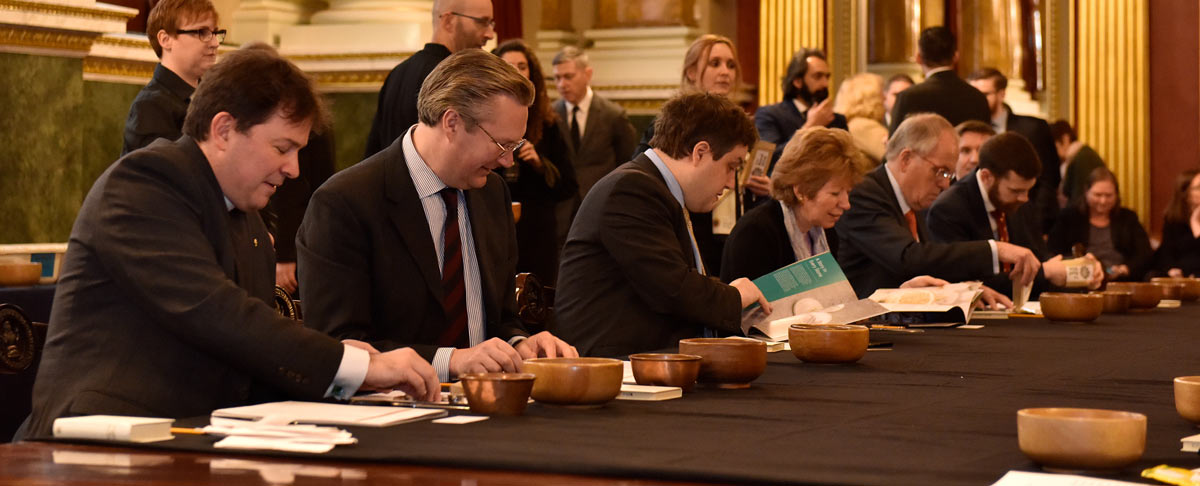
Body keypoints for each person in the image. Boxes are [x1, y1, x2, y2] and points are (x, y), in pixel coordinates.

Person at [19, 47, 440, 440]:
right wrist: (358, 366)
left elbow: (245, 352)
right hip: (98, 442)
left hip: (194, 435)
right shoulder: (147, 181)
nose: (293, 169)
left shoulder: (248, 220)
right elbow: (217, 313)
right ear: (223, 129)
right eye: (282, 147)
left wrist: (338, 359)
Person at [297, 50, 576, 383]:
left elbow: (500, 318)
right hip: (394, 415)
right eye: (501, 145)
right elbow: (338, 345)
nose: (507, 162)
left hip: (490, 408)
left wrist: (521, 344)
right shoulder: (345, 204)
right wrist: (452, 361)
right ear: (452, 123)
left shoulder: (491, 194)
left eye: (515, 146)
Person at [555, 92, 772, 358]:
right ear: (700, 152)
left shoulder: (657, 188)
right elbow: (673, 289)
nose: (730, 183)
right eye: (731, 166)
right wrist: (735, 297)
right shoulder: (632, 190)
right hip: (613, 367)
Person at [834, 114, 1041, 304]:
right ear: (906, 159)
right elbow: (908, 259)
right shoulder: (864, 194)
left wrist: (964, 290)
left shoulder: (914, 200)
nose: (945, 185)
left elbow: (923, 271)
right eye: (940, 172)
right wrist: (996, 249)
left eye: (949, 175)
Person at [927, 133, 1102, 297]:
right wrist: (1045, 271)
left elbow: (1038, 258)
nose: (1024, 198)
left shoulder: (1016, 201)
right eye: (1016, 190)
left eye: (1028, 190)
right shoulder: (948, 210)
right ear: (987, 177)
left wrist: (1077, 268)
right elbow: (969, 284)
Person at [633, 34, 743, 275]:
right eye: (715, 64)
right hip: (689, 233)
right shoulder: (671, 124)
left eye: (730, 65)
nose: (725, 72)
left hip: (728, 238)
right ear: (692, 72)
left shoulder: (738, 128)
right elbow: (645, 179)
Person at [362, 0, 495, 158]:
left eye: (491, 23)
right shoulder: (457, 77)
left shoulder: (397, 73)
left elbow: (374, 151)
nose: (490, 34)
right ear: (448, 21)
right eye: (482, 22)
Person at [494, 40, 578, 285]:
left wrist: (540, 164)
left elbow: (569, 184)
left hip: (537, 232)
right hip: (497, 229)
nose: (517, 72)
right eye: (508, 66)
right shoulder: (485, 118)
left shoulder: (548, 122)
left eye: (522, 66)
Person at [550, 46, 636, 253]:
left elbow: (628, 164)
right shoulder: (551, 114)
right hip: (561, 210)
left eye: (568, 76)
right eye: (557, 78)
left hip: (601, 205)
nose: (562, 84)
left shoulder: (612, 115)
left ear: (587, 74)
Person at [121, 0, 222, 155]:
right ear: (165, 39)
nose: (215, 43)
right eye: (202, 32)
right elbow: (167, 174)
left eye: (215, 33)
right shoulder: (149, 107)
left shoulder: (216, 97)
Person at [967, 67, 1061, 233]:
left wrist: (1037, 225)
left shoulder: (1033, 129)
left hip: (1027, 223)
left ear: (1001, 94)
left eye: (984, 95)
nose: (977, 100)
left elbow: (1048, 181)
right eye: (972, 95)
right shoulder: (967, 133)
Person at [1047, 167, 1152, 281]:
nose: (1103, 201)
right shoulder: (1069, 217)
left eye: (1108, 195)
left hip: (1120, 280)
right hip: (1080, 279)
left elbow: (1144, 253)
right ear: (1087, 192)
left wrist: (1125, 269)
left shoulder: (1128, 218)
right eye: (1097, 195)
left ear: (1116, 195)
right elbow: (1054, 251)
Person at [755, 48, 850, 169]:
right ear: (798, 82)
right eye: (818, 76)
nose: (825, 84)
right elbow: (768, 161)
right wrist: (810, 127)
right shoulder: (770, 115)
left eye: (827, 77)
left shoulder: (837, 120)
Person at [888, 27, 990, 133]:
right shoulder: (977, 98)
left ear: (918, 58)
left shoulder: (908, 98)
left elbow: (895, 146)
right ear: (956, 56)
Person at [833, 72, 888, 164]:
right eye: (882, 93)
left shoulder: (853, 124)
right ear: (872, 98)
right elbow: (897, 157)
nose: (885, 98)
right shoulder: (864, 127)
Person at [1154, 169, 1200, 278]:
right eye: (1198, 188)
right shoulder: (1173, 219)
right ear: (1185, 193)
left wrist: (1196, 224)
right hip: (1179, 274)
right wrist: (1171, 269)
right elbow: (1166, 252)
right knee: (1153, 276)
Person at [1050, 119, 1106, 208]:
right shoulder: (1079, 156)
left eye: (1054, 146)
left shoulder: (1083, 158)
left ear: (1065, 139)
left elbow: (1078, 200)